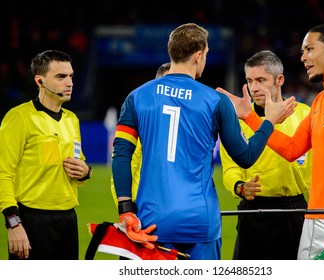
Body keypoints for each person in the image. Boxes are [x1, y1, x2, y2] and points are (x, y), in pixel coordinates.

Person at [111, 23, 297, 260]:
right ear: (198, 55)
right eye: (206, 54)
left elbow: (121, 155)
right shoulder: (216, 100)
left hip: (151, 220)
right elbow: (246, 157)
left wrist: (125, 208)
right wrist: (269, 121)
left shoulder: (137, 96)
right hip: (200, 220)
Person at [222, 24, 324, 260]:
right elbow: (292, 149)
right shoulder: (320, 101)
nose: (303, 57)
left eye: (309, 49)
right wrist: (251, 118)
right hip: (316, 215)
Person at [218, 50, 312, 260]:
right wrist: (240, 187)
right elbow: (230, 169)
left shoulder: (305, 114)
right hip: (253, 210)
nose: (254, 88)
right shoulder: (237, 121)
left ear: (279, 80)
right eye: (250, 80)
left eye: (261, 80)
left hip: (294, 210)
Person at [0, 50, 92, 260]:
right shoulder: (19, 118)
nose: (69, 82)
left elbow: (80, 164)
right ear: (40, 81)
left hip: (68, 219)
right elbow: (3, 173)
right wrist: (13, 223)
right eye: (61, 77)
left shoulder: (72, 119)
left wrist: (85, 172)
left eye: (71, 76)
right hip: (31, 219)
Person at [110, 62, 172, 206]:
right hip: (145, 209)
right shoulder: (143, 126)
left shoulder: (187, 126)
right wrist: (129, 209)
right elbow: (123, 165)